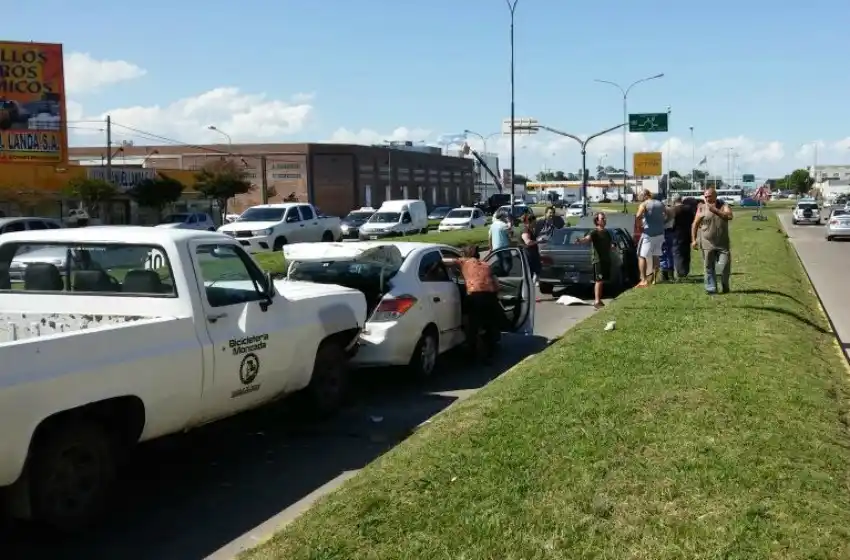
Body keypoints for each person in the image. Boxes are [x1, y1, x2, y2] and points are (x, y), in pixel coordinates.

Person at [453, 245, 502, 364]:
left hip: (475, 296)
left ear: (465, 255)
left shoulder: (465, 261)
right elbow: (497, 285)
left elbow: (444, 261)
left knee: (471, 325)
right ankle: (488, 354)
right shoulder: (486, 265)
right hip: (490, 297)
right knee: (489, 325)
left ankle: (471, 353)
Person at [691, 187, 734, 294]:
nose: (707, 198)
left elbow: (729, 216)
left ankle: (725, 285)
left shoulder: (724, 206)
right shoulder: (701, 208)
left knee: (724, 266)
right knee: (708, 267)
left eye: (709, 196)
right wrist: (694, 240)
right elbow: (695, 224)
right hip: (706, 242)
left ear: (715, 196)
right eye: (705, 196)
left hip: (722, 243)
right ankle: (711, 289)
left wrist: (715, 210)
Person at [574, 212, 614, 309]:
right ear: (597, 221)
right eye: (602, 218)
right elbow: (587, 239)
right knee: (599, 280)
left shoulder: (607, 232)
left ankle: (599, 300)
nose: (604, 220)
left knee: (602, 280)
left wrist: (612, 246)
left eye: (604, 218)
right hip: (598, 260)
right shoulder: (594, 232)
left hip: (606, 259)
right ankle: (596, 301)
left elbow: (611, 244)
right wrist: (580, 240)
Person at [634, 189, 667, 287]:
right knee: (656, 256)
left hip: (649, 233)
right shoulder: (660, 203)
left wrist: (639, 225)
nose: (639, 199)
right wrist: (662, 223)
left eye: (640, 197)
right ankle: (655, 279)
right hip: (660, 233)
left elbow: (638, 215)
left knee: (641, 256)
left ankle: (643, 280)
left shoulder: (644, 204)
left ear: (644, 196)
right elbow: (667, 214)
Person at [670, 194, 696, 278]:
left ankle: (680, 272)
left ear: (674, 200)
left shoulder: (674, 210)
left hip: (677, 234)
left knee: (678, 253)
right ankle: (686, 270)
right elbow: (693, 220)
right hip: (688, 233)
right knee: (686, 253)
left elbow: (671, 222)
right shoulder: (689, 209)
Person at [521, 214, 541, 284]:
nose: (535, 224)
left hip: (533, 252)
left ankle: (533, 282)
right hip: (528, 253)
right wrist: (539, 241)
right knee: (531, 270)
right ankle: (530, 284)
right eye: (534, 222)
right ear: (530, 222)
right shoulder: (525, 230)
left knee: (537, 268)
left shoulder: (530, 229)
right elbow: (528, 242)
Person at [660, 201, 677, 282]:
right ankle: (670, 274)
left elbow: (662, 222)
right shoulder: (671, 211)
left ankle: (665, 274)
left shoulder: (663, 213)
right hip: (670, 231)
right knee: (669, 253)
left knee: (663, 253)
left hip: (664, 232)